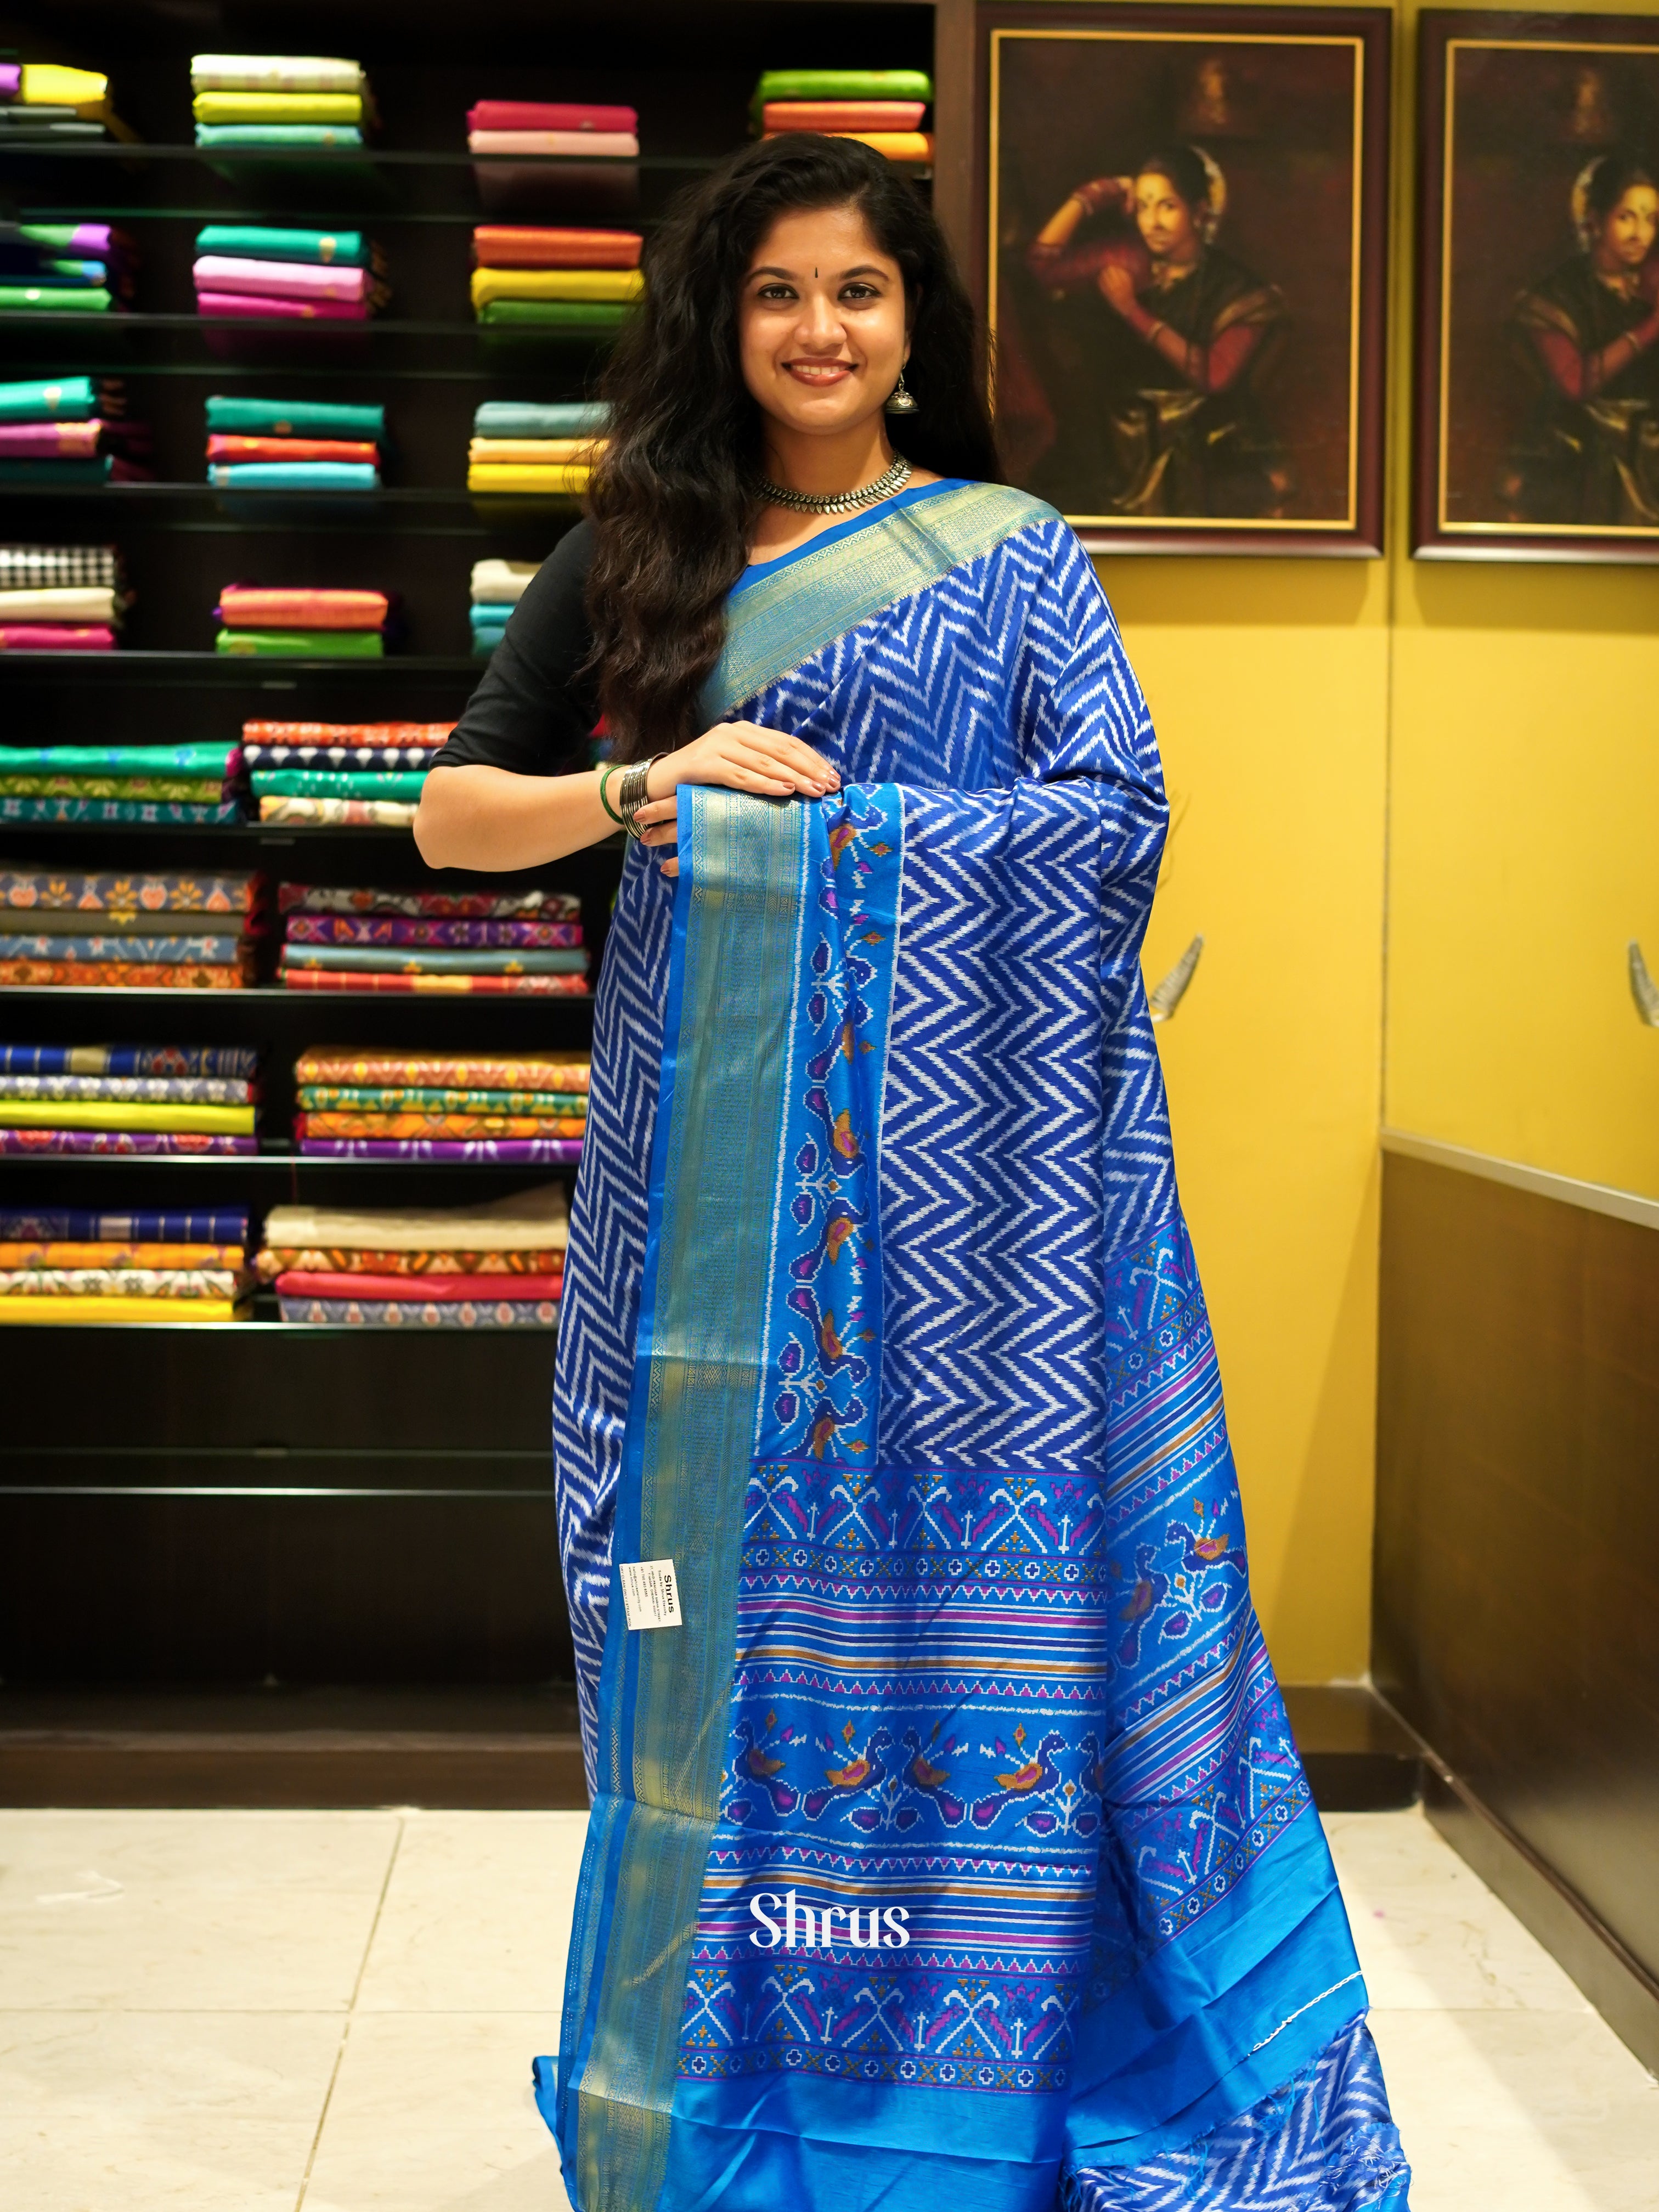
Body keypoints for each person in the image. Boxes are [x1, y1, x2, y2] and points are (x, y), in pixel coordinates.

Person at [415, 133, 1408, 2212]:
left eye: (851, 292)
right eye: (773, 291)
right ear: (724, 319)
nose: (813, 329)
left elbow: (1111, 814)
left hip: (974, 1276)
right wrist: (639, 782)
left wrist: (833, 852)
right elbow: (451, 821)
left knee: (986, 1617)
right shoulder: (631, 553)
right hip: (685, 1219)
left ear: (908, 325)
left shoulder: (1011, 551)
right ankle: (719, 2088)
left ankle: (990, 2084)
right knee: (676, 1617)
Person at [1024, 144, 1290, 517]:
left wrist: (1133, 311)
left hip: (1199, 443)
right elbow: (1042, 265)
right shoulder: (1130, 258)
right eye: (1144, 206)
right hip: (1120, 441)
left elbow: (1213, 375)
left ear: (1198, 213)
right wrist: (1096, 195)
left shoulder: (1239, 290)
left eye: (1168, 206)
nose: (1153, 222)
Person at [1503, 151, 1659, 524]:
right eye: (1626, 218)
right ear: (1594, 222)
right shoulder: (1555, 297)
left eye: (1651, 220)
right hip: (1585, 453)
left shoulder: (1648, 285)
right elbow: (1576, 384)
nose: (1641, 235)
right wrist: (1652, 326)